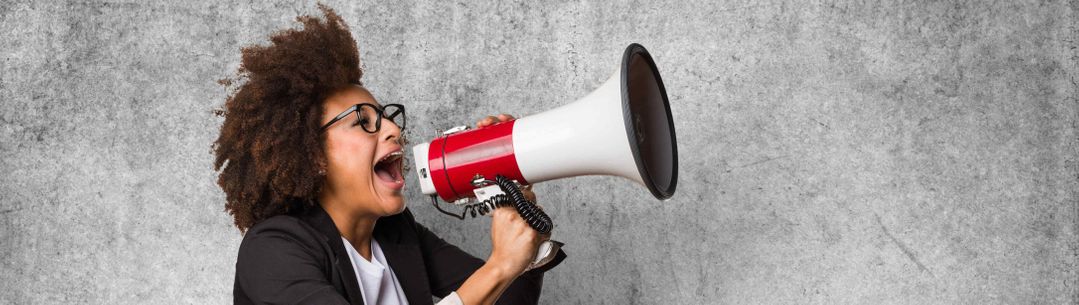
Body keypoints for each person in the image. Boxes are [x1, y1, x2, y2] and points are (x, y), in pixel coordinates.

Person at [212, 5, 563, 305]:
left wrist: (518, 216)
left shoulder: (396, 233)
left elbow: (505, 297)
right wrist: (499, 265)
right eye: (363, 122)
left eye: (386, 118)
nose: (394, 130)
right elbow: (491, 278)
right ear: (312, 155)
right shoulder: (274, 249)